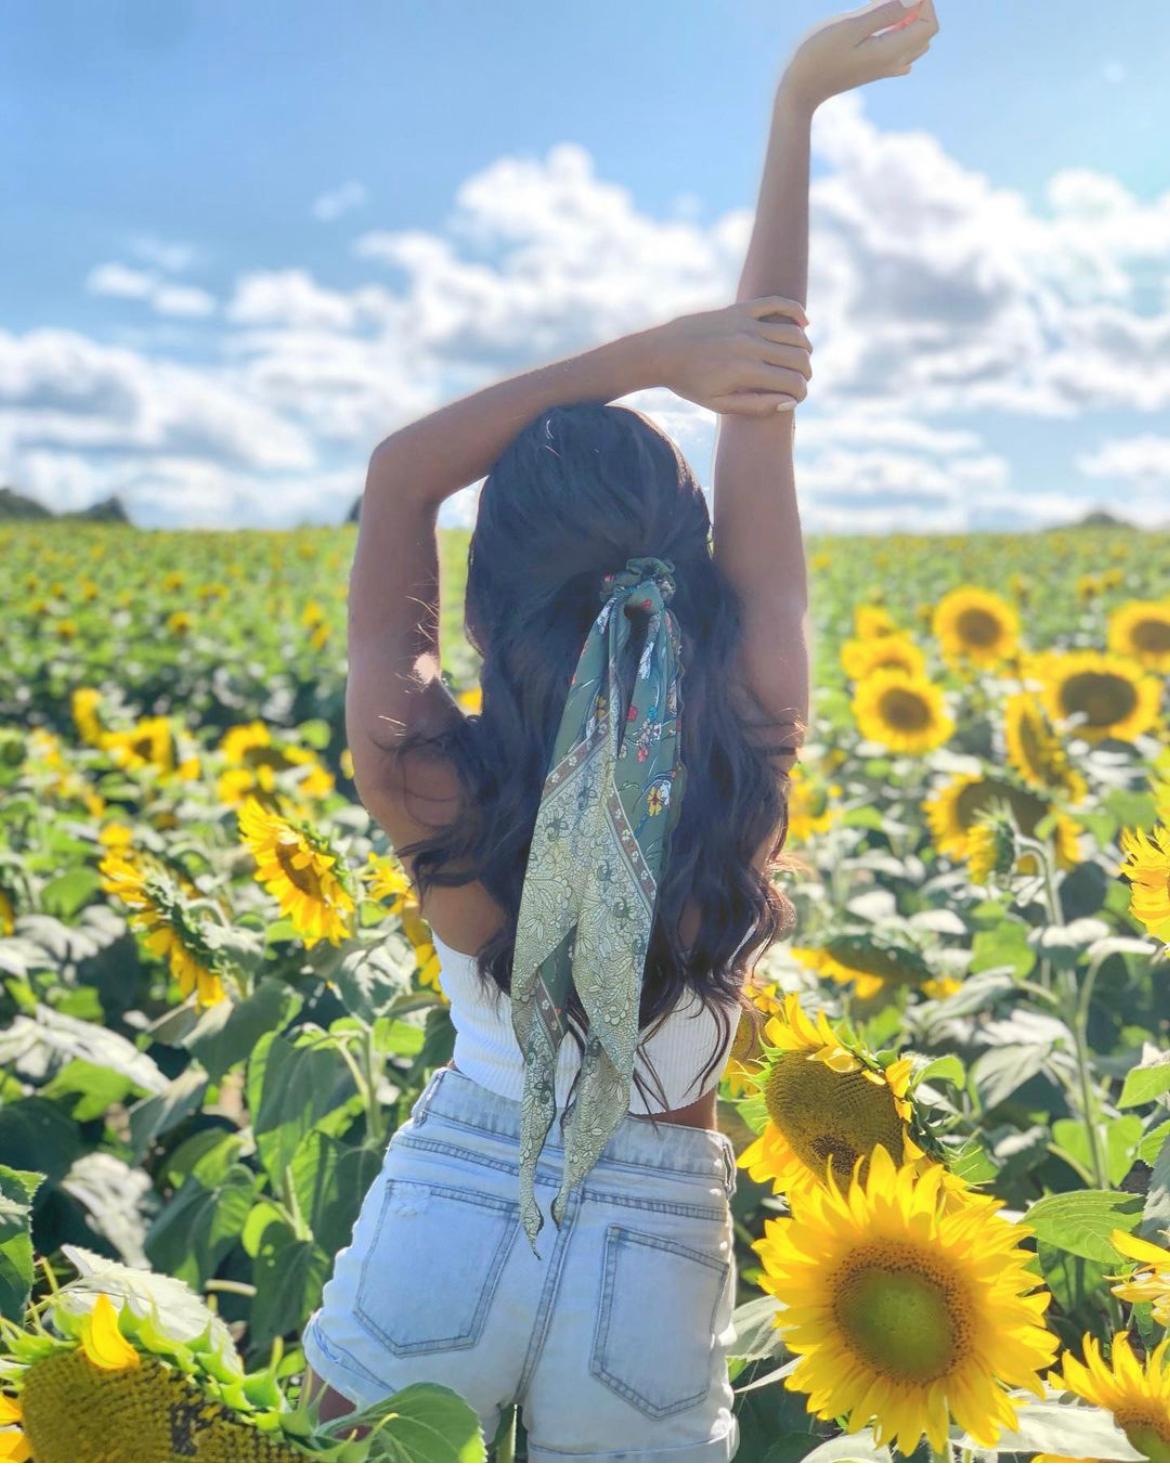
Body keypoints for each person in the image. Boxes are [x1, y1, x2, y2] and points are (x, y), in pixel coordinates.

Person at [299, 2, 939, 1459]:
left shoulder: (422, 766)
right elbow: (765, 400)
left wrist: (653, 352)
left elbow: (401, 473)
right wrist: (795, 116)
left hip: (455, 1197)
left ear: (487, 603)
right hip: (657, 1233)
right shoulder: (748, 731)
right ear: (694, 567)